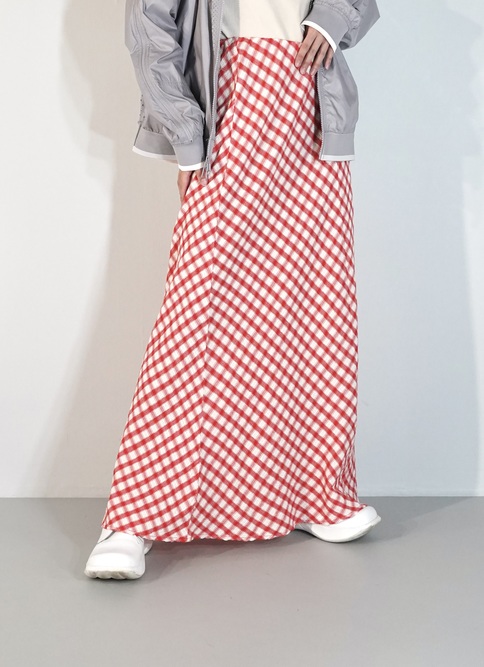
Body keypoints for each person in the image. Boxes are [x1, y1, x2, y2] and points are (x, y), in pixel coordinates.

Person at [85, 0, 382, 580]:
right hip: (231, 100)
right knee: (195, 313)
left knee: (315, 309)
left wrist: (331, 19)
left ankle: (315, 493)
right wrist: (185, 130)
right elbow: (148, 26)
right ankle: (132, 517)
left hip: (312, 107)